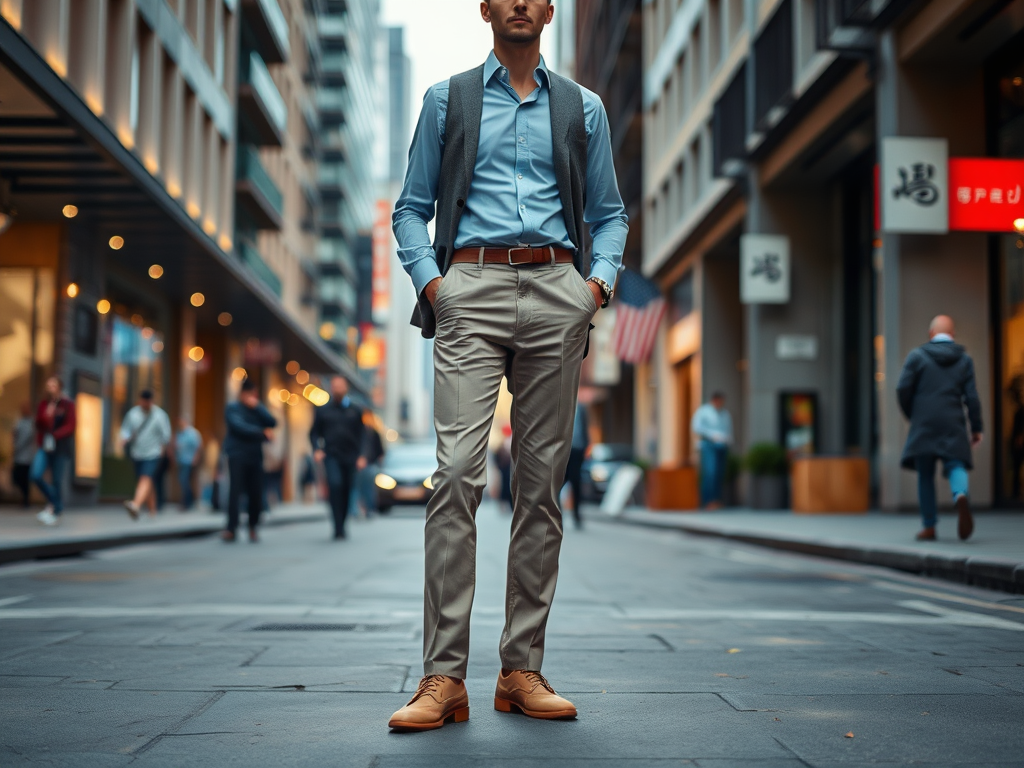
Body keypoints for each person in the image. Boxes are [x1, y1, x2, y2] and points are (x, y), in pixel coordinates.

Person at [388, 0, 627, 731]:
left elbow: (610, 212)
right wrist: (437, 286)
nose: (521, 2)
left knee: (540, 486)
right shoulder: (446, 99)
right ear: (486, 8)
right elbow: (410, 208)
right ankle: (443, 679)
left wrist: (596, 287)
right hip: (471, 287)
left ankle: (520, 669)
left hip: (558, 288)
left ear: (549, 10)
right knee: (457, 473)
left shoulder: (583, 107)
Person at [896, 315, 983, 542]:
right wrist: (976, 427)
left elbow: (902, 388)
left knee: (925, 473)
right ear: (952, 335)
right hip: (952, 421)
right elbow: (972, 397)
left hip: (924, 421)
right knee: (956, 464)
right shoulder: (964, 359)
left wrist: (912, 413)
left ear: (931, 334)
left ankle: (929, 526)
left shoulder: (917, 356)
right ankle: (960, 495)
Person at [309, 376, 367, 540]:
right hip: (332, 455)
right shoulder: (323, 411)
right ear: (331, 389)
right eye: (334, 386)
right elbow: (313, 433)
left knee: (347, 488)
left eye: (340, 386)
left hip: (351, 456)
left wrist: (362, 455)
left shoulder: (356, 410)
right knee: (335, 485)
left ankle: (342, 522)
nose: (337, 389)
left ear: (346, 388)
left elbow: (362, 435)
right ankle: (337, 525)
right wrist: (316, 449)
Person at [222, 379, 276, 543]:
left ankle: (253, 527)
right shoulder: (232, 408)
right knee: (235, 491)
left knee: (256, 492)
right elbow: (238, 427)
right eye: (250, 394)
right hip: (237, 455)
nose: (252, 397)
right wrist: (262, 433)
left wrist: (258, 407)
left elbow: (272, 422)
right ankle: (231, 528)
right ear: (242, 394)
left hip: (255, 456)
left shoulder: (257, 410)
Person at [119, 390, 172, 519]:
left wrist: (163, 449)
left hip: (153, 453)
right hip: (137, 452)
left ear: (151, 401)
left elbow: (166, 435)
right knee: (146, 481)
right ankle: (153, 509)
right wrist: (124, 439)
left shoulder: (160, 415)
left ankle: (135, 504)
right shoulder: (133, 414)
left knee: (145, 478)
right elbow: (126, 430)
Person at [31, 377, 76, 526]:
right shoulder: (44, 404)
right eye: (48, 385)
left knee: (56, 480)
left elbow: (71, 425)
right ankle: (56, 504)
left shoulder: (67, 404)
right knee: (36, 475)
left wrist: (56, 434)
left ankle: (54, 510)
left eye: (53, 385)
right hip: (45, 446)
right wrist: (46, 415)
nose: (50, 387)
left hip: (60, 448)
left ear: (59, 387)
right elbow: (38, 423)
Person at [691, 392, 733, 510]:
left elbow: (728, 428)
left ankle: (716, 500)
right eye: (719, 401)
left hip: (722, 445)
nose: (721, 404)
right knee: (711, 472)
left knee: (719, 473)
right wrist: (712, 435)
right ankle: (708, 501)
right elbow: (696, 427)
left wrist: (728, 438)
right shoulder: (704, 412)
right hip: (709, 444)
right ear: (714, 400)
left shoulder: (724, 413)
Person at [563, 402, 589, 529]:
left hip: (578, 451)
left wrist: (585, 446)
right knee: (558, 482)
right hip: (564, 451)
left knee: (576, 483)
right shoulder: (562, 406)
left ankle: (576, 515)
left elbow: (585, 428)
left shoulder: (582, 408)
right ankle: (556, 513)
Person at [358, 413, 385, 517]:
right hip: (358, 465)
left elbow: (380, 451)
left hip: (370, 464)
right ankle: (355, 510)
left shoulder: (374, 433)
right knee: (358, 488)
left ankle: (369, 508)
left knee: (368, 488)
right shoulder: (359, 432)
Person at [174, 418, 203, 511]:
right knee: (183, 481)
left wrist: (195, 458)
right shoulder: (179, 433)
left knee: (185, 481)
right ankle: (188, 501)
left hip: (189, 461)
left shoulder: (193, 433)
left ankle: (188, 501)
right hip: (181, 461)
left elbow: (198, 447)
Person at [11, 401, 35, 508]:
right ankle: (23, 497)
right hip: (19, 455)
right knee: (18, 477)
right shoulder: (19, 421)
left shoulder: (32, 422)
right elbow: (14, 434)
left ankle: (26, 499)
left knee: (26, 478)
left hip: (28, 455)